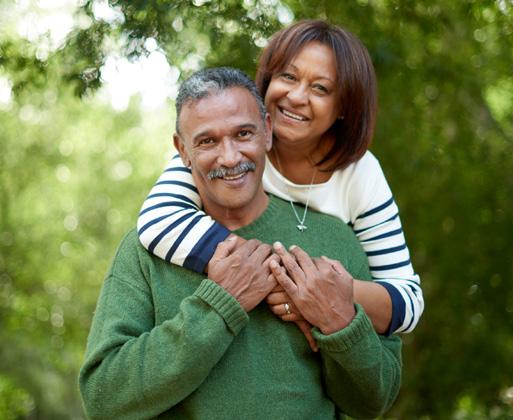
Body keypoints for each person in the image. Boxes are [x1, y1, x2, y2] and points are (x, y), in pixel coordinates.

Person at [79, 68, 402, 419]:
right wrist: (219, 306)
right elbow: (103, 398)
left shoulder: (334, 239)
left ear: (267, 131)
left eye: (243, 134)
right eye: (207, 141)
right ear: (182, 150)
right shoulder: (145, 251)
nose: (230, 157)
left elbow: (375, 400)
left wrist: (339, 322)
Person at [138, 20, 423, 336]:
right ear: (269, 79)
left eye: (320, 88)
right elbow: (158, 220)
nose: (297, 96)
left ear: (343, 107)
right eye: (288, 76)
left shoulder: (359, 173)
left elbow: (408, 302)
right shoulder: (226, 148)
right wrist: (280, 277)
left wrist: (322, 293)